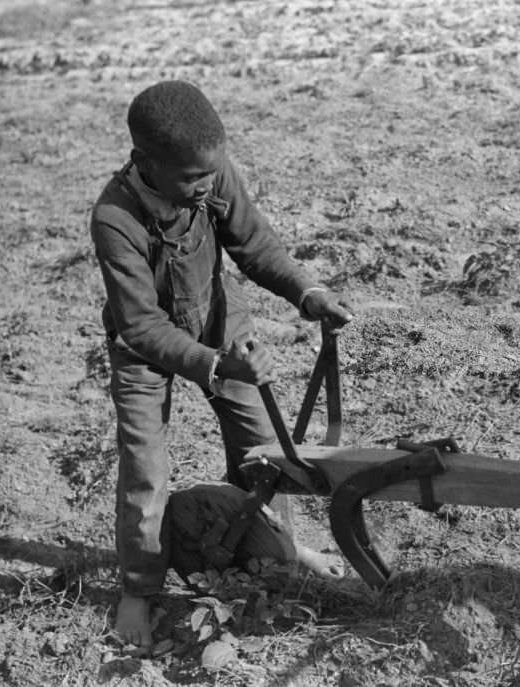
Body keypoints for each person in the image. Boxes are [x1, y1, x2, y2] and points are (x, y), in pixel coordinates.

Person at [89, 80, 352, 651]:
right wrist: (215, 365)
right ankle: (139, 586)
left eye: (212, 174)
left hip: (218, 320)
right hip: (145, 352)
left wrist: (308, 293)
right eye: (191, 179)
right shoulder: (115, 218)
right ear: (146, 163)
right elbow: (140, 325)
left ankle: (278, 549)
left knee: (262, 446)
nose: (206, 186)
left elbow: (255, 246)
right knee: (145, 468)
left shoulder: (209, 172)